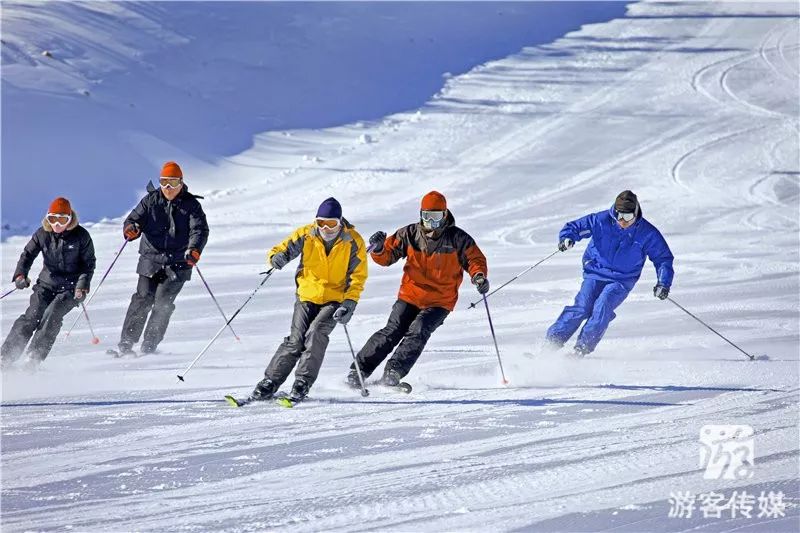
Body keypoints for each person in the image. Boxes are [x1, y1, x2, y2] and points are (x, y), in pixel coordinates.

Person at [347, 191, 489, 388]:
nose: (431, 222)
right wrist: (379, 249)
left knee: (419, 330)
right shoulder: (410, 233)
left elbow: (475, 260)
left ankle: (393, 372)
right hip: (411, 295)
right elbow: (387, 257)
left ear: (445, 215)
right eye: (427, 217)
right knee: (393, 330)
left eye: (436, 217)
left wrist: (479, 276)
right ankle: (359, 370)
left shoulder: (458, 238)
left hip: (440, 301)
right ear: (421, 214)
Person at [247, 197, 368, 403]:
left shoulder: (353, 241)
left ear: (340, 223)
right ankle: (270, 382)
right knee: (296, 340)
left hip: (334, 299)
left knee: (316, 333)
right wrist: (277, 257)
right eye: (321, 222)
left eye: (331, 224)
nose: (326, 228)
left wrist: (350, 303)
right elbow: (280, 249)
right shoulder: (307, 234)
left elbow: (358, 276)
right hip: (306, 296)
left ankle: (302, 381)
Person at [545, 190, 674, 357]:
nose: (623, 221)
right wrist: (567, 238)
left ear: (636, 214)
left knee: (602, 307)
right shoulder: (601, 220)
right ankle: (549, 347)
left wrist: (663, 283)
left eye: (628, 217)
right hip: (595, 272)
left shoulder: (647, 233)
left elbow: (662, 258)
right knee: (581, 307)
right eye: (619, 216)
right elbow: (575, 227)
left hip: (622, 279)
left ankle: (580, 351)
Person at [115, 161, 209, 356]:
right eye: (164, 182)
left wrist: (194, 249)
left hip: (179, 263)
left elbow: (199, 230)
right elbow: (133, 219)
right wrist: (131, 229)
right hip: (151, 259)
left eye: (172, 183)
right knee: (142, 299)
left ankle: (149, 346)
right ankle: (126, 344)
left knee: (163, 303)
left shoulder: (191, 205)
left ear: (181, 183)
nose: (168, 188)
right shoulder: (150, 201)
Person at [1, 197, 96, 369]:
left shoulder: (81, 236)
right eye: (53, 219)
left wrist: (82, 286)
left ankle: (34, 358)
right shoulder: (42, 234)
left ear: (70, 219)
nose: (57, 224)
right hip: (46, 284)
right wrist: (20, 275)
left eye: (62, 219)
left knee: (52, 315)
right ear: (47, 218)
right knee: (32, 315)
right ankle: (5, 356)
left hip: (72, 288)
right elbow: (27, 255)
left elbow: (88, 264)